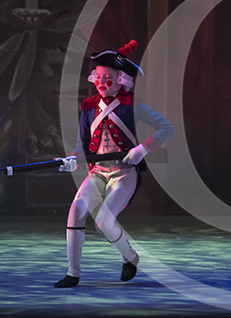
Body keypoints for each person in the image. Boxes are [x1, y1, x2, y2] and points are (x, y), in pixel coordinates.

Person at [54, 40, 175, 288]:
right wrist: (73, 160)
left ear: (121, 79)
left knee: (103, 222)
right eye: (98, 77)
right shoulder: (88, 107)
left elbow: (166, 128)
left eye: (107, 77)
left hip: (124, 173)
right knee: (76, 209)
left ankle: (130, 258)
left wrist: (142, 149)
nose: (101, 82)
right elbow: (82, 145)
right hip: (97, 172)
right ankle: (73, 273)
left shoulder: (132, 104)